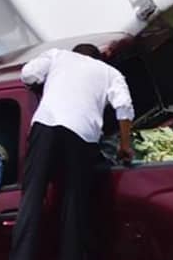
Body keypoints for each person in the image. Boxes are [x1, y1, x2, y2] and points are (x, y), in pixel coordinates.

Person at [8, 43, 134, 260]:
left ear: (75, 53)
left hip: (45, 128)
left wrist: (42, 82)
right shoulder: (110, 73)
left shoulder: (58, 55)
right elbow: (124, 108)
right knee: (73, 204)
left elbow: (28, 74)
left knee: (32, 197)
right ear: (98, 58)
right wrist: (124, 146)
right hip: (81, 135)